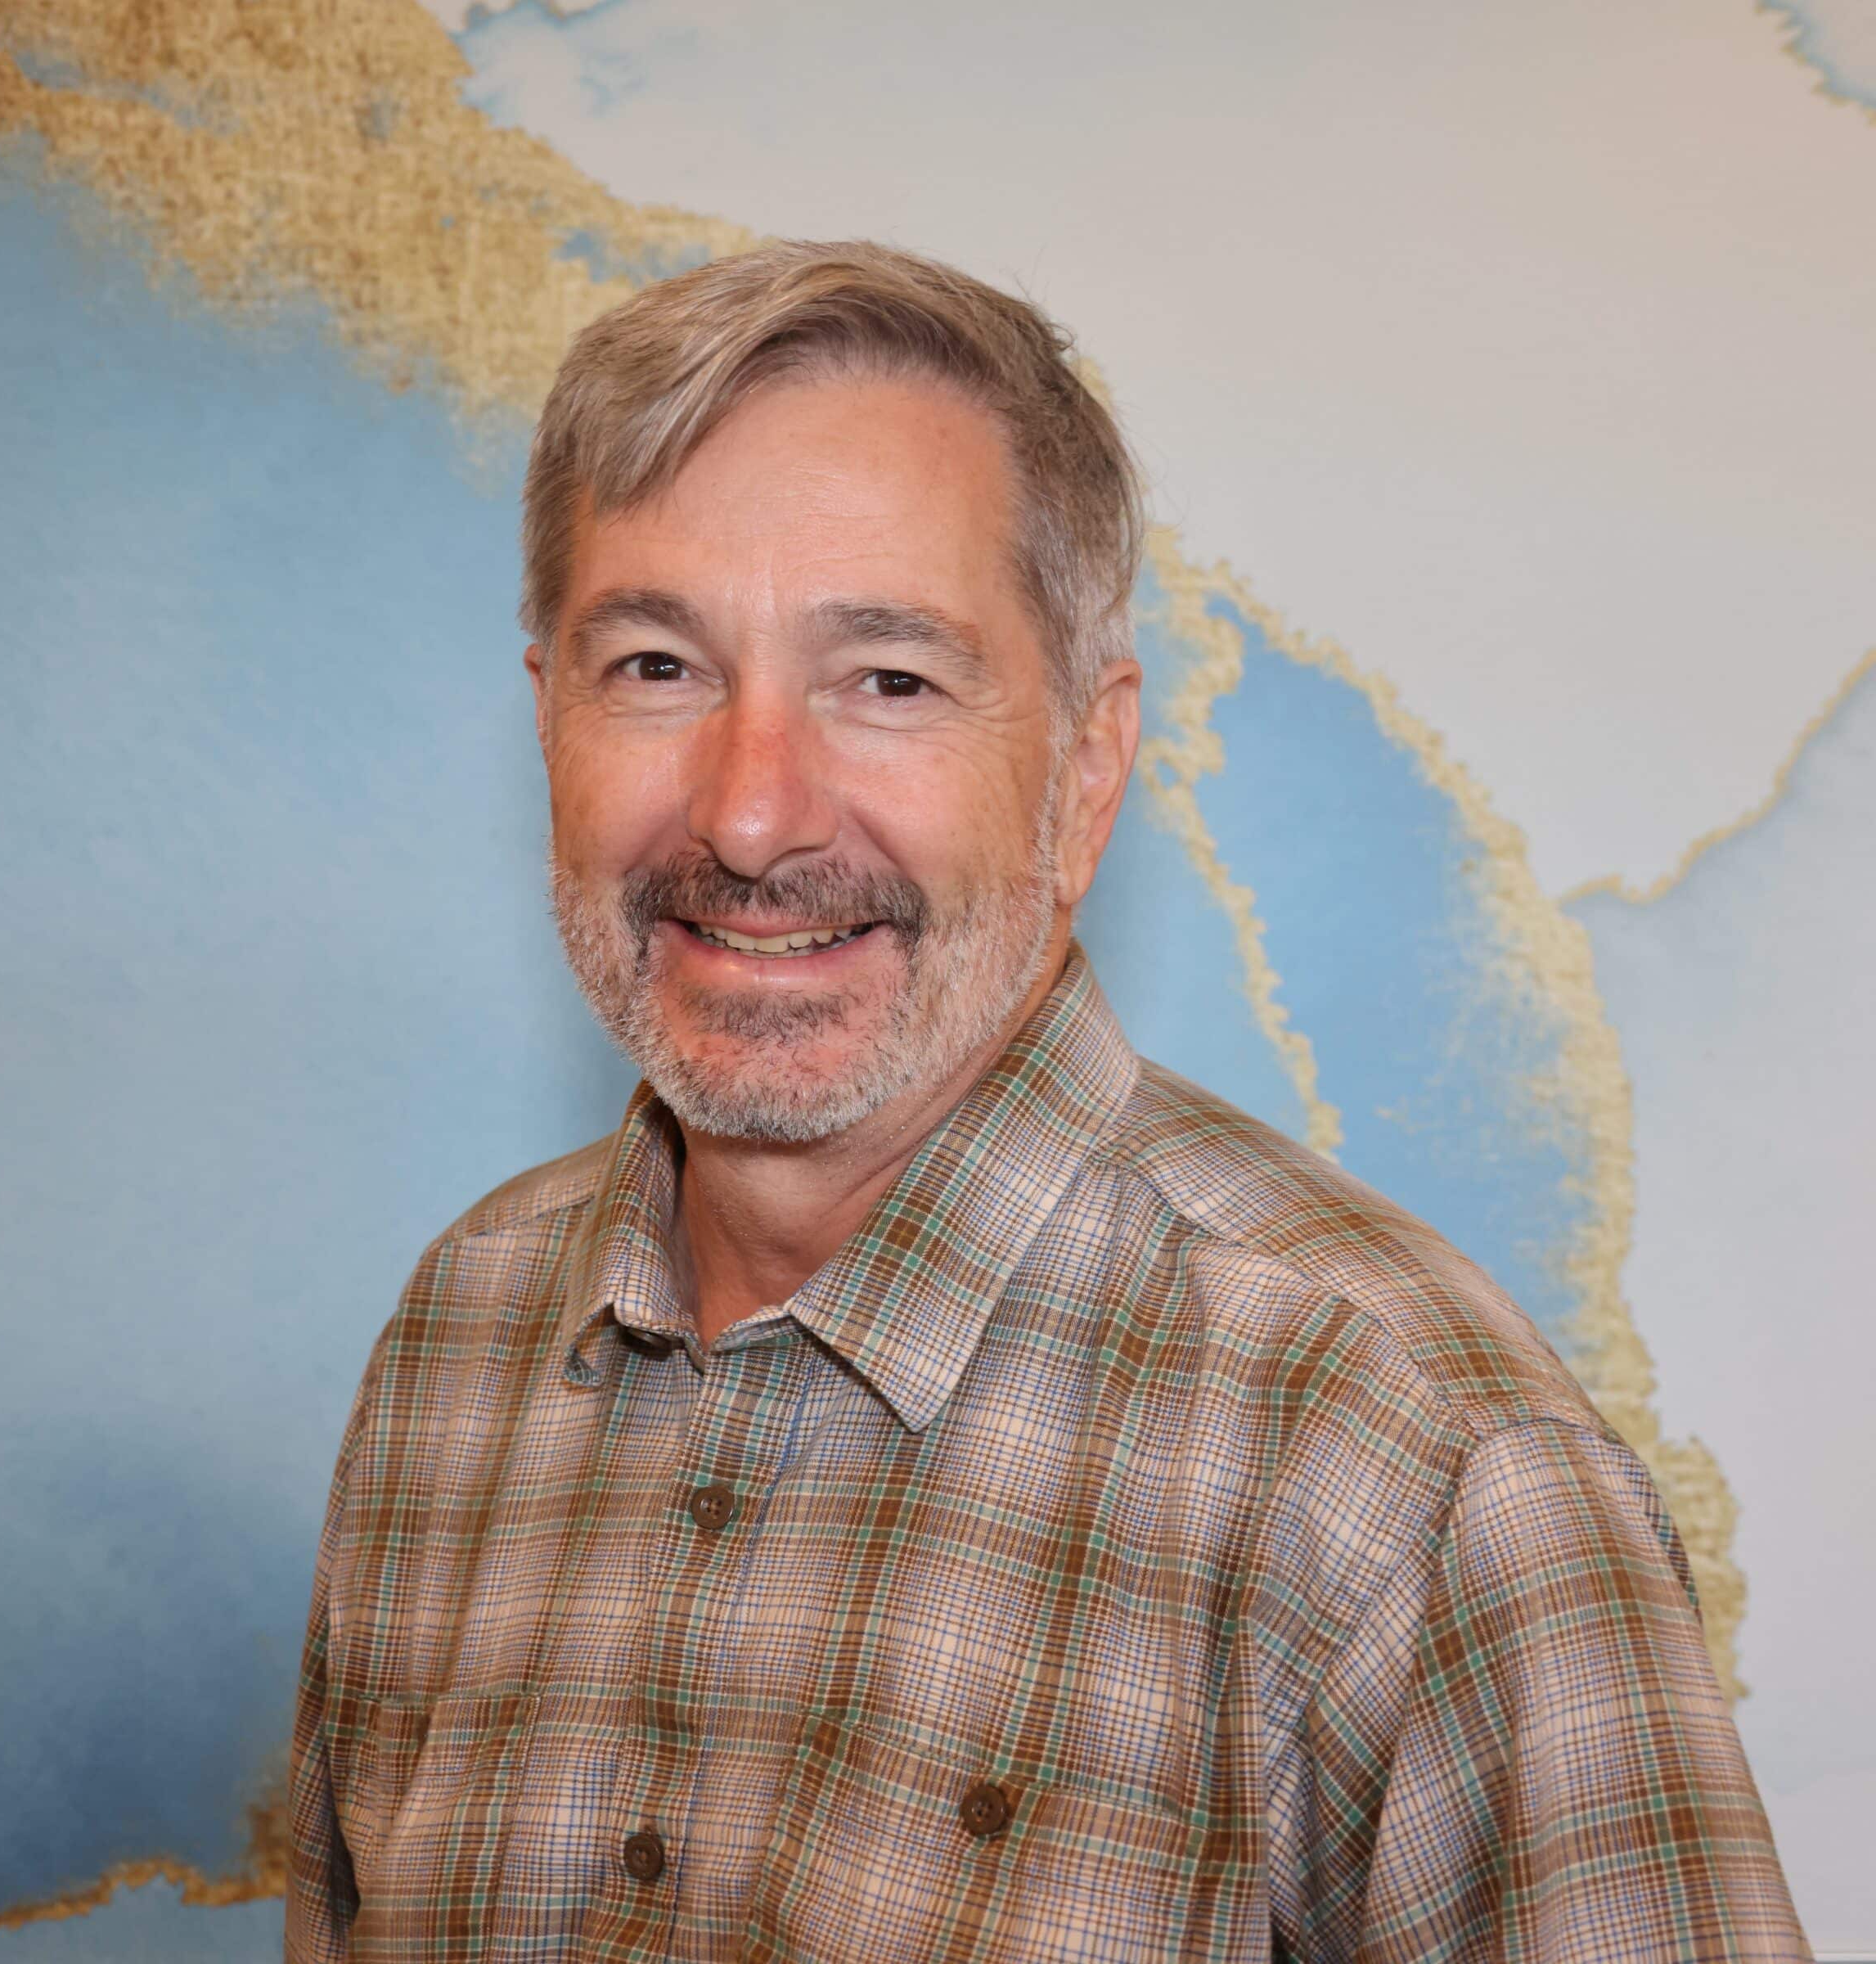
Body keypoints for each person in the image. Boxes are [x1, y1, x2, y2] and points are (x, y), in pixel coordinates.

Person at [284, 240, 1805, 1962]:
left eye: (892, 680)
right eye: (657, 666)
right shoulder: (459, 1337)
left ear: (1086, 770)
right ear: (548, 713)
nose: (754, 816)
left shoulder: (1423, 1467)